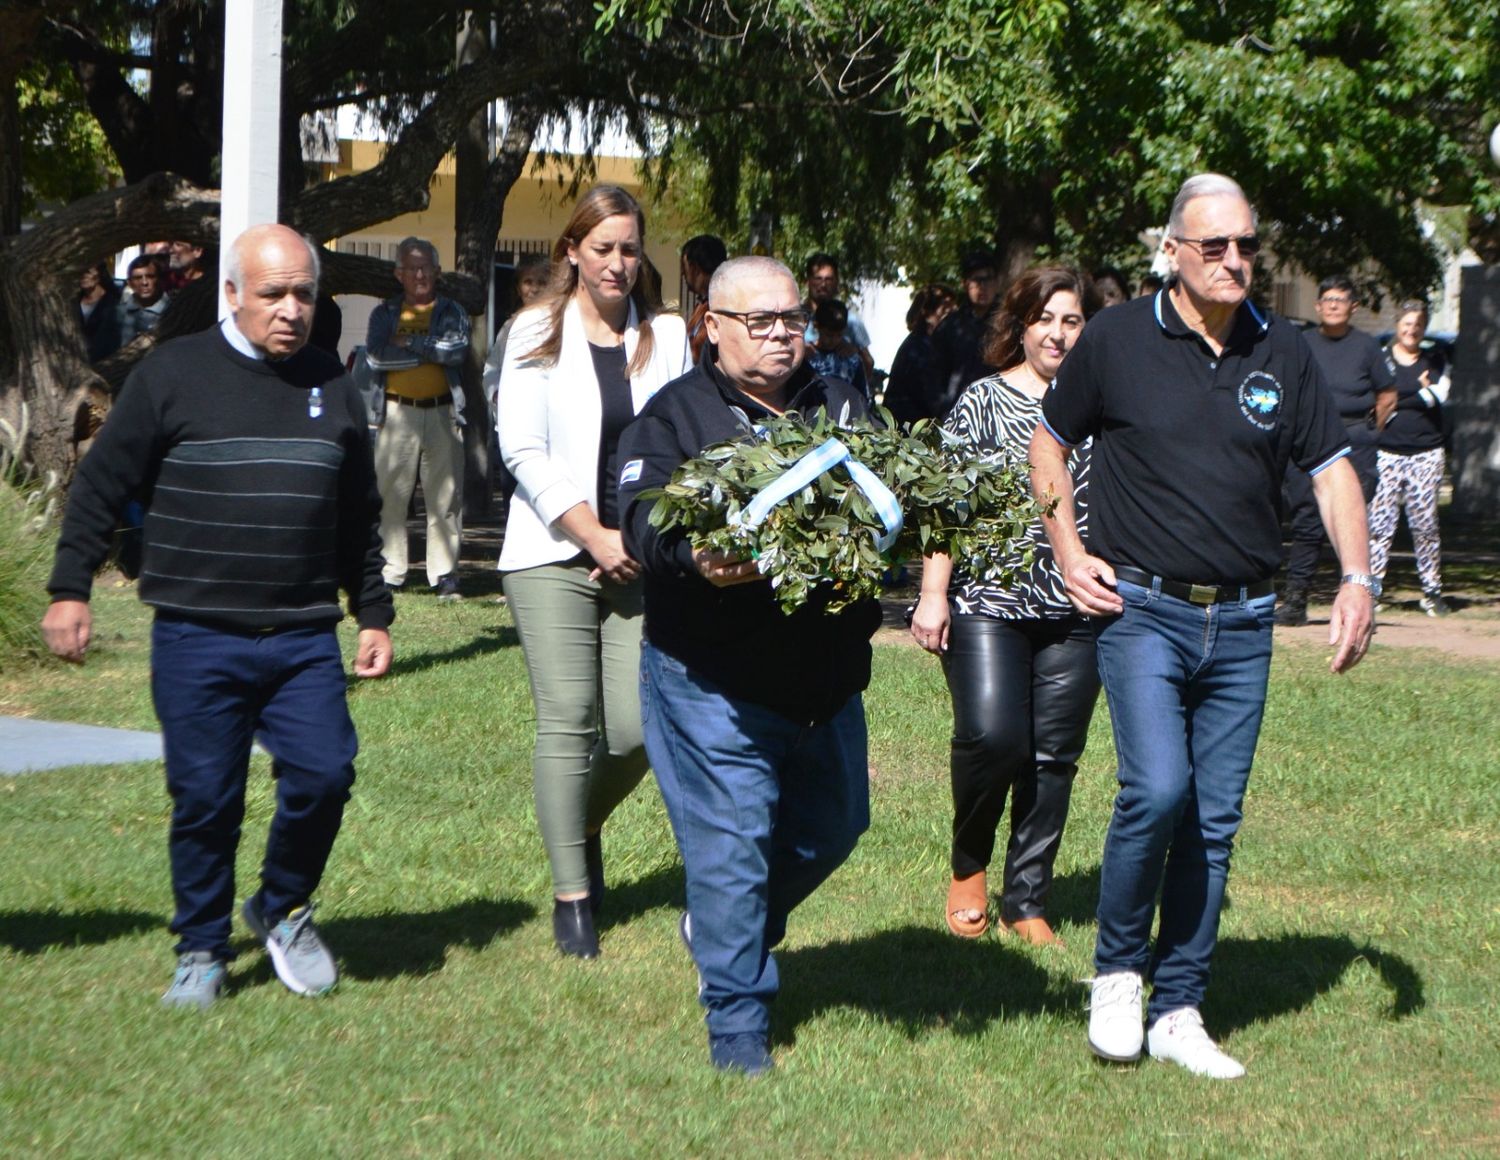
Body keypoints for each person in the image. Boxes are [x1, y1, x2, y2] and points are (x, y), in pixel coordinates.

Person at [1030, 173, 1375, 1080]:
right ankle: (1116, 973)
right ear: (1173, 252)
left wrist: (1358, 575)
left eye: (1248, 245)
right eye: (1215, 245)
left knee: (1214, 822)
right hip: (1142, 610)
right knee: (1157, 790)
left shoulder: (1284, 351)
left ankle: (1180, 1005)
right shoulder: (1115, 338)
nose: (1236, 261)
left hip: (1248, 619)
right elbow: (1049, 440)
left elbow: (1333, 467)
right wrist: (1067, 547)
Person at [42, 223, 393, 1009]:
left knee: (325, 772)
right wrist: (70, 590)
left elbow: (356, 514)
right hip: (198, 632)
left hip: (301, 634)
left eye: (305, 294)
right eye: (274, 294)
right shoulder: (172, 374)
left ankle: (281, 904)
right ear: (232, 294)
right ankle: (201, 948)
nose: (292, 310)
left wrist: (372, 611)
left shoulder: (332, 386)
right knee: (206, 798)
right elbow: (100, 487)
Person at [617, 255, 880, 1076]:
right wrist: (695, 555)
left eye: (791, 319)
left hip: (825, 679)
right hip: (711, 680)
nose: (780, 336)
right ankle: (737, 1024)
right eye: (759, 322)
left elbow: (885, 498)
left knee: (836, 827)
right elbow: (641, 518)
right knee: (732, 846)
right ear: (713, 326)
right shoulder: (674, 417)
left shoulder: (842, 401)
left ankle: (723, 926)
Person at [497, 185, 689, 960]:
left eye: (629, 248)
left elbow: (681, 440)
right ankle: (573, 893)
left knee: (640, 728)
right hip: (551, 550)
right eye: (602, 247)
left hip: (642, 557)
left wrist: (642, 536)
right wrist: (591, 532)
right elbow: (523, 448)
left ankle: (578, 821)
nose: (616, 262)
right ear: (572, 251)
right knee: (570, 716)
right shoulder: (533, 330)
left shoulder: (665, 337)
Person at [910, 265, 1101, 947]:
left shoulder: (1104, 406)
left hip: (1078, 609)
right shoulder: (985, 401)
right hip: (988, 599)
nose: (1057, 332)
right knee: (995, 737)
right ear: (1019, 326)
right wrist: (933, 594)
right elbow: (944, 501)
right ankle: (969, 864)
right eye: (1044, 318)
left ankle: (1027, 900)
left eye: (1071, 319)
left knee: (1053, 757)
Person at [1275, 275, 1396, 625]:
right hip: (1308, 443)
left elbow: (1387, 395)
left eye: (1340, 300)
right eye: (1326, 299)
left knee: (1353, 525)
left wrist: (1371, 433)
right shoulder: (1303, 342)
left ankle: (1360, 599)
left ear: (1353, 307)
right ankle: (1296, 601)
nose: (1332, 305)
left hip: (1354, 443)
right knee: (1307, 522)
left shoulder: (1367, 346)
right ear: (1317, 305)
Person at [365, 237, 472, 599]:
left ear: (437, 272)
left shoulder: (452, 311)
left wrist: (410, 343)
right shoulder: (384, 313)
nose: (420, 274)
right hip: (396, 412)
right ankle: (391, 573)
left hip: (444, 410)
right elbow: (376, 358)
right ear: (399, 274)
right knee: (391, 495)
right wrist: (431, 350)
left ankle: (444, 576)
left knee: (445, 498)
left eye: (427, 267)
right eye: (412, 268)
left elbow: (455, 352)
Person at [1369, 300, 1451, 616]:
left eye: (1417, 324)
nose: (1411, 330)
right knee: (1379, 526)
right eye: (1406, 323)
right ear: (1398, 324)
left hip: (1426, 453)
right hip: (1386, 452)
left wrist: (1398, 400)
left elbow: (1439, 396)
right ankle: (1372, 590)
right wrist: (1417, 395)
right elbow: (1374, 399)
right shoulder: (1382, 360)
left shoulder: (1436, 359)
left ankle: (1432, 592)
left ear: (1424, 327)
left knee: (1425, 525)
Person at [482, 254, 552, 504]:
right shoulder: (509, 327)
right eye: (528, 281)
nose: (533, 289)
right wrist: (497, 395)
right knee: (513, 498)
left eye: (541, 282)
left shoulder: (561, 324)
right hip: (513, 425)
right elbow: (492, 369)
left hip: (549, 429)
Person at [928, 250, 1001, 420]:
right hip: (956, 417)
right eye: (976, 280)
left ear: (997, 282)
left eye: (988, 279)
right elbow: (933, 377)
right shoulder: (950, 327)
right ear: (965, 284)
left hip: (999, 416)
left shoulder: (1009, 325)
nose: (982, 286)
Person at [882, 283, 956, 426]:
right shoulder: (919, 350)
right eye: (946, 311)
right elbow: (935, 401)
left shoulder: (928, 345)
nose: (953, 318)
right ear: (928, 314)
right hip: (907, 435)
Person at [802, 252, 875, 381]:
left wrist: (855, 352)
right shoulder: (794, 318)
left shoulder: (852, 321)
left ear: (836, 282)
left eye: (828, 279)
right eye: (818, 278)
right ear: (808, 281)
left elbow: (868, 364)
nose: (823, 284)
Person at [806, 298, 870, 403]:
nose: (834, 340)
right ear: (816, 326)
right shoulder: (807, 356)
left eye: (839, 335)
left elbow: (862, 395)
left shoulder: (851, 359)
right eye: (829, 335)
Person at [680, 234, 728, 362]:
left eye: (684, 268)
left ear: (694, 267)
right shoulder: (703, 304)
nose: (683, 275)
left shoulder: (724, 304)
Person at [117, 255, 172, 344]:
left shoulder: (174, 312)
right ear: (129, 283)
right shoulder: (116, 314)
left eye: (150, 276)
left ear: (159, 279)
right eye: (138, 278)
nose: (144, 282)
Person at [76, 261, 123, 362]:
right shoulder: (73, 302)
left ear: (99, 273)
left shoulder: (114, 302)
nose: (84, 276)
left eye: (88, 272)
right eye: (80, 272)